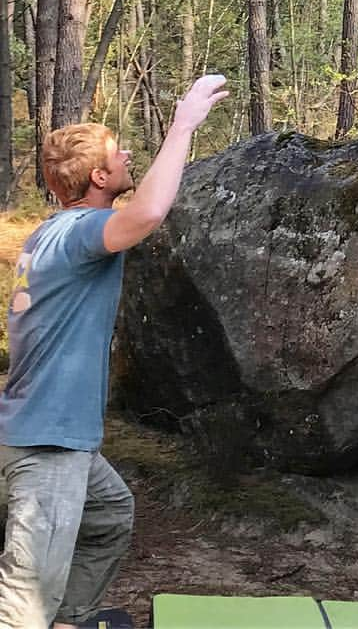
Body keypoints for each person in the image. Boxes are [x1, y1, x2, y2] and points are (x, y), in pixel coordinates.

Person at [0, 75, 229, 629]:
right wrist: (183, 124)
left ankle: (71, 619)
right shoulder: (84, 233)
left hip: (35, 430)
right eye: (116, 152)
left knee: (108, 515)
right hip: (49, 446)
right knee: (24, 602)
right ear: (99, 178)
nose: (127, 153)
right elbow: (148, 214)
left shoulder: (45, 233)